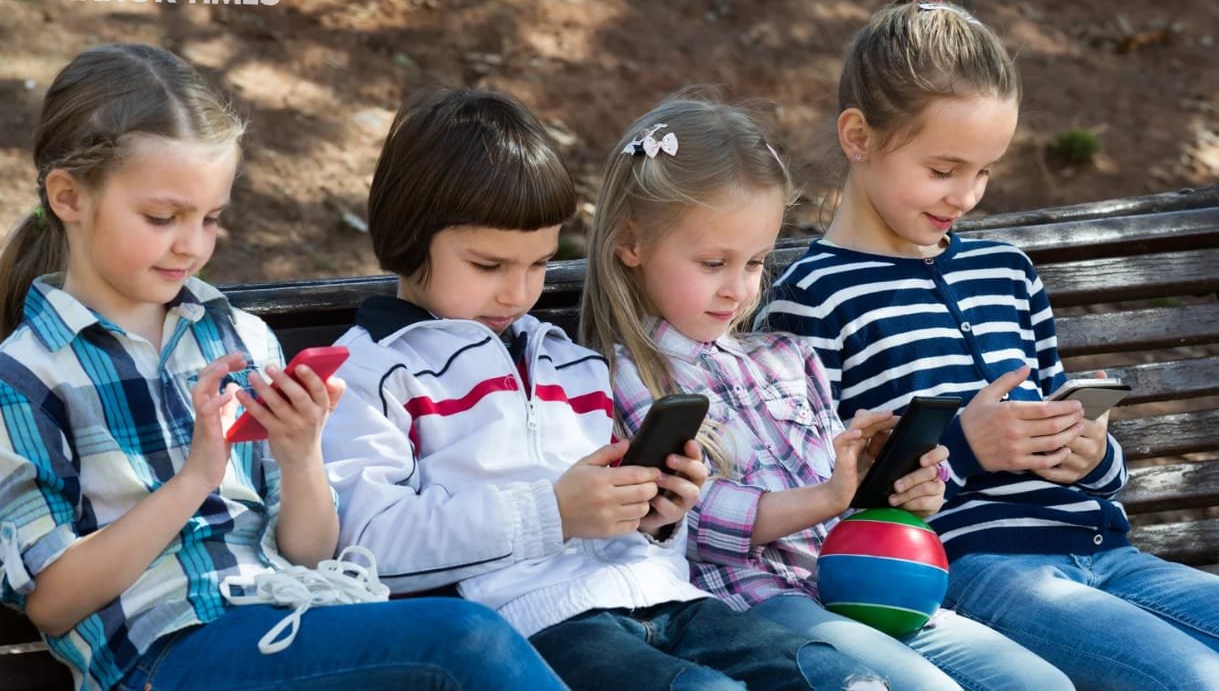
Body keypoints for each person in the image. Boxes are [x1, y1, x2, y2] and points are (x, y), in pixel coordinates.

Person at [0, 43, 569, 691]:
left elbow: (310, 552)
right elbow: (53, 602)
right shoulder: (26, 375)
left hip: (293, 620)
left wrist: (300, 459)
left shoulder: (240, 338)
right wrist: (194, 479)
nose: (192, 244)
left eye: (211, 218)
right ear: (69, 197)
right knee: (463, 641)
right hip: (167, 657)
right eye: (162, 217)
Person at [760, 0, 1219, 691]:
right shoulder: (814, 297)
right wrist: (965, 450)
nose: (966, 196)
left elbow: (1070, 430)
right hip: (976, 570)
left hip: (1103, 552)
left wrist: (1090, 452)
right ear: (859, 137)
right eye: (942, 170)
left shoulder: (1006, 272)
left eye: (983, 171)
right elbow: (814, 500)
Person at [319, 85, 873, 691]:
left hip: (669, 600)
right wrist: (553, 512)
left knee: (839, 681)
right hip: (534, 626)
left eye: (539, 264)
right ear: (408, 237)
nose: (518, 293)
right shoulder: (368, 371)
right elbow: (366, 547)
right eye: (488, 266)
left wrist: (658, 517)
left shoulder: (569, 362)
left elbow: (636, 535)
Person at [579, 93, 1074, 691]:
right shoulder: (625, 377)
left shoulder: (786, 356)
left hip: (859, 582)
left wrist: (896, 490)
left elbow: (844, 500)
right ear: (631, 243)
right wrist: (827, 497)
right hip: (762, 606)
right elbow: (690, 522)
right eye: (713, 263)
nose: (738, 289)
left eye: (755, 263)